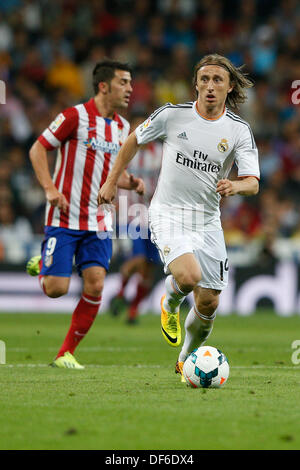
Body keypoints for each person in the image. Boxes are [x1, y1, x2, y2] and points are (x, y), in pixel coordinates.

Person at [99, 54, 260, 382]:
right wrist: (112, 179)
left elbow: (253, 183)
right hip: (168, 213)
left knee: (209, 302)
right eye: (204, 79)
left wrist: (235, 185)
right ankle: (170, 302)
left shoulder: (239, 131)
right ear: (196, 84)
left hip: (207, 221)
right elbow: (133, 139)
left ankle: (185, 359)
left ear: (230, 87)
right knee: (188, 277)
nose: (210, 86)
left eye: (218, 80)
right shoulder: (172, 116)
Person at [26, 59, 144, 369]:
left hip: (99, 221)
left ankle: (65, 353)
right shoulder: (74, 116)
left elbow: (111, 171)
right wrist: (50, 189)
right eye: (124, 83)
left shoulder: (122, 127)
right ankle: (45, 265)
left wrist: (129, 181)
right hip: (65, 217)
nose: (130, 89)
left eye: (131, 83)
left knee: (95, 285)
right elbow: (37, 149)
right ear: (104, 86)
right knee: (56, 289)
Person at [110, 113, 163, 324]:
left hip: (154, 216)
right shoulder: (124, 150)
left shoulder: (160, 152)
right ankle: (121, 294)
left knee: (149, 268)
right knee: (139, 260)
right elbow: (111, 174)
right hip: (130, 213)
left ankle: (133, 310)